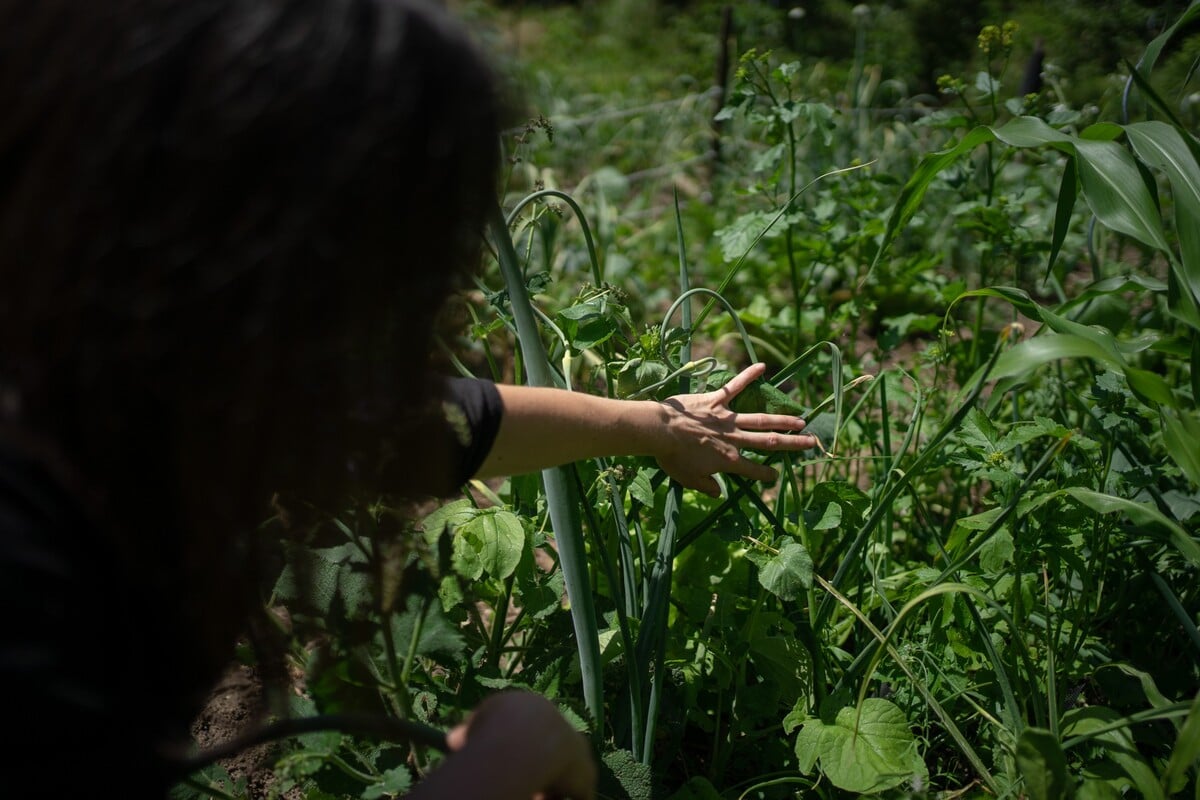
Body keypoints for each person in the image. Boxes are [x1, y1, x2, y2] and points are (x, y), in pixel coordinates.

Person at [0, 0, 816, 797]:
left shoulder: (111, 390)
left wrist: (656, 425)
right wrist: (505, 763)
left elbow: (428, 421)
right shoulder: (38, 586)